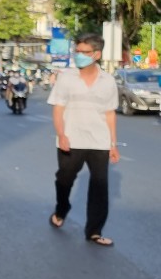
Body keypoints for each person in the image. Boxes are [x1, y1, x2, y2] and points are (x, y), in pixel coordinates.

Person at [47, 33, 120, 247]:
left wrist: (113, 145)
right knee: (64, 179)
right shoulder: (66, 77)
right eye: (77, 51)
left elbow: (110, 114)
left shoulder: (108, 81)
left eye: (84, 52)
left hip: (99, 142)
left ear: (96, 54)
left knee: (100, 186)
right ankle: (62, 209)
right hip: (71, 139)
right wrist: (61, 134)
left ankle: (94, 231)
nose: (78, 55)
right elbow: (58, 108)